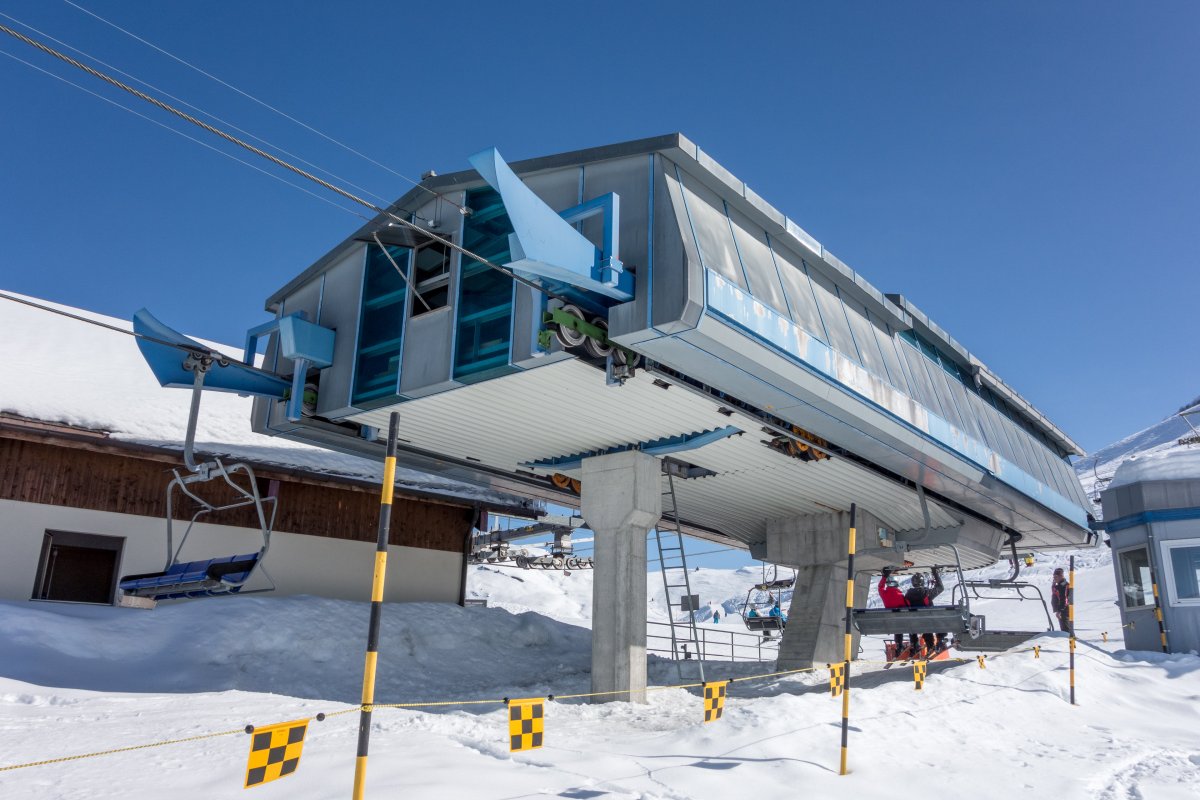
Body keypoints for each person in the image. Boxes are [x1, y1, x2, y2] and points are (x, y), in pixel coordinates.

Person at [905, 567, 945, 653]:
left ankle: (918, 643)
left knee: (922, 621)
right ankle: (940, 640)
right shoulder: (926, 593)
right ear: (922, 582)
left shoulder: (907, 595)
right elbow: (940, 588)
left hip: (915, 623)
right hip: (928, 621)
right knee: (931, 620)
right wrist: (935, 573)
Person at [878, 566, 909, 656]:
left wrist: (884, 577)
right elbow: (907, 607)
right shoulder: (900, 596)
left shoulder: (884, 594)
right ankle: (914, 644)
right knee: (903, 622)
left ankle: (899, 646)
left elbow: (880, 587)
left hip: (892, 621)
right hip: (903, 621)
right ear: (896, 584)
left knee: (897, 625)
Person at [1051, 567, 1071, 632]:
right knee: (1063, 628)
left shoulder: (1064, 585)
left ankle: (1069, 639)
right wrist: (1053, 586)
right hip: (1061, 609)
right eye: (1053, 577)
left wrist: (1060, 611)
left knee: (1066, 629)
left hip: (1064, 609)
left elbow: (1064, 599)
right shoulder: (1059, 585)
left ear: (1061, 576)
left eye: (1055, 577)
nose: (1054, 578)